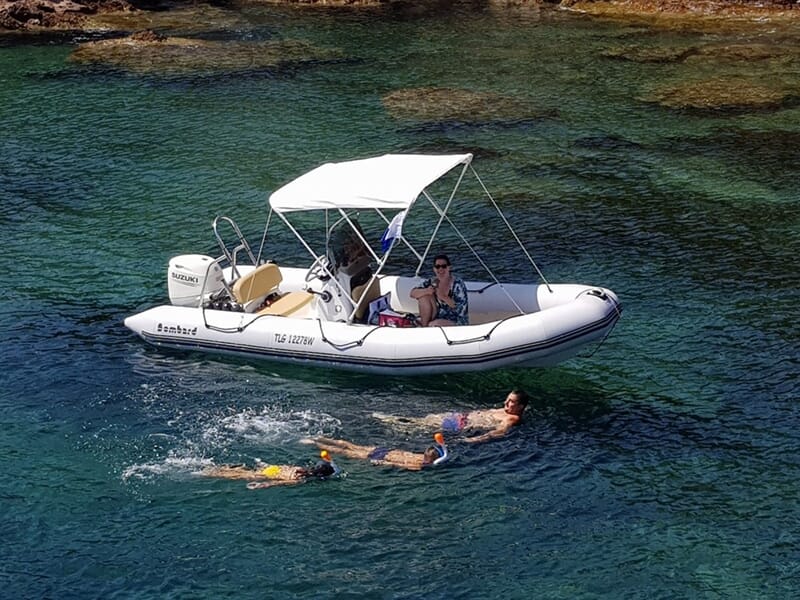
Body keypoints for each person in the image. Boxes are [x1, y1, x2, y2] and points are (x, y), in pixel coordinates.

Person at [372, 389, 529, 444]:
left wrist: (476, 439)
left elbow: (500, 431)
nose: (506, 403)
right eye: (507, 399)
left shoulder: (512, 418)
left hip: (462, 426)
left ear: (520, 406)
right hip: (461, 417)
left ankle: (393, 423)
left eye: (511, 402)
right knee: (426, 420)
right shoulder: (505, 410)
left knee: (424, 425)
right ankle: (395, 422)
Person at [303, 433, 448, 471]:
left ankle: (319, 438)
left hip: (384, 450)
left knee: (348, 445)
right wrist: (380, 463)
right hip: (381, 454)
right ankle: (314, 443)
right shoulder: (419, 466)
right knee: (344, 452)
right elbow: (396, 465)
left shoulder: (419, 456)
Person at [201, 451, 338, 489]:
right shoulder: (300, 479)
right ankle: (210, 472)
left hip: (272, 468)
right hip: (272, 475)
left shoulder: (302, 469)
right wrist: (263, 485)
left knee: (245, 471)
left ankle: (217, 468)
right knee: (240, 476)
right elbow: (278, 483)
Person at [409, 254, 468, 327]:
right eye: (437, 267)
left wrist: (443, 297)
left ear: (449, 268)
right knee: (423, 297)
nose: (440, 269)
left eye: (444, 266)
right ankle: (424, 328)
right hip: (436, 316)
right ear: (434, 269)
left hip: (456, 320)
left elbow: (461, 310)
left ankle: (425, 327)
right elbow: (412, 293)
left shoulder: (458, 284)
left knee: (434, 324)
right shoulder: (432, 281)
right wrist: (427, 291)